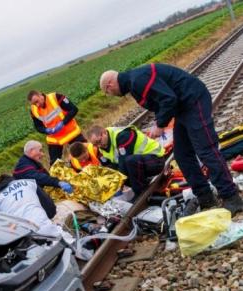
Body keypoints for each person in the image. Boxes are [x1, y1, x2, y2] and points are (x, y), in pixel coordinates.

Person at [100, 64, 243, 214]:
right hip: (182, 109)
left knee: (206, 150)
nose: (111, 94)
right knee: (182, 155)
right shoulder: (133, 83)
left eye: (107, 92)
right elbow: (160, 100)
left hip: (193, 100)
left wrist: (161, 124)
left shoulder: (137, 80)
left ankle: (231, 197)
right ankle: (205, 196)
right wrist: (158, 121)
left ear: (109, 85)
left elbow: (168, 99)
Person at [86, 125, 166, 196]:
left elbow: (123, 162)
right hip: (141, 166)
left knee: (129, 161)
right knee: (112, 170)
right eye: (95, 144)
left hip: (156, 160)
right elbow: (108, 168)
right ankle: (141, 186)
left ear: (104, 132)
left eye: (99, 141)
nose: (99, 146)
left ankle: (141, 192)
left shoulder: (123, 135)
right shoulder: (101, 149)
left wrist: (120, 184)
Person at [0, 173, 64, 237]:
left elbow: (3, 229)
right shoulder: (29, 183)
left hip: (23, 238)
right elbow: (50, 208)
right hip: (46, 229)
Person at [28, 90, 87, 164]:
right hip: (54, 138)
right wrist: (46, 130)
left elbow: (74, 109)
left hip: (70, 132)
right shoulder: (34, 110)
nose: (37, 105)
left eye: (37, 101)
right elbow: (38, 126)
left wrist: (63, 123)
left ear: (40, 95)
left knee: (85, 152)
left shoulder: (55, 97)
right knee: (54, 164)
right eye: (34, 104)